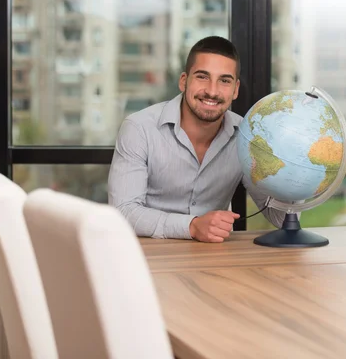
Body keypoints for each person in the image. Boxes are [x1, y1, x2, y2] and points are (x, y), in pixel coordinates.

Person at [108, 36, 288, 242]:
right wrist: (191, 226)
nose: (212, 91)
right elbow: (123, 212)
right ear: (184, 81)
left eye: (224, 80)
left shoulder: (247, 137)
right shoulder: (139, 128)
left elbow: (281, 217)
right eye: (202, 77)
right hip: (145, 259)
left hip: (211, 260)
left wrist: (291, 167)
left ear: (235, 89)